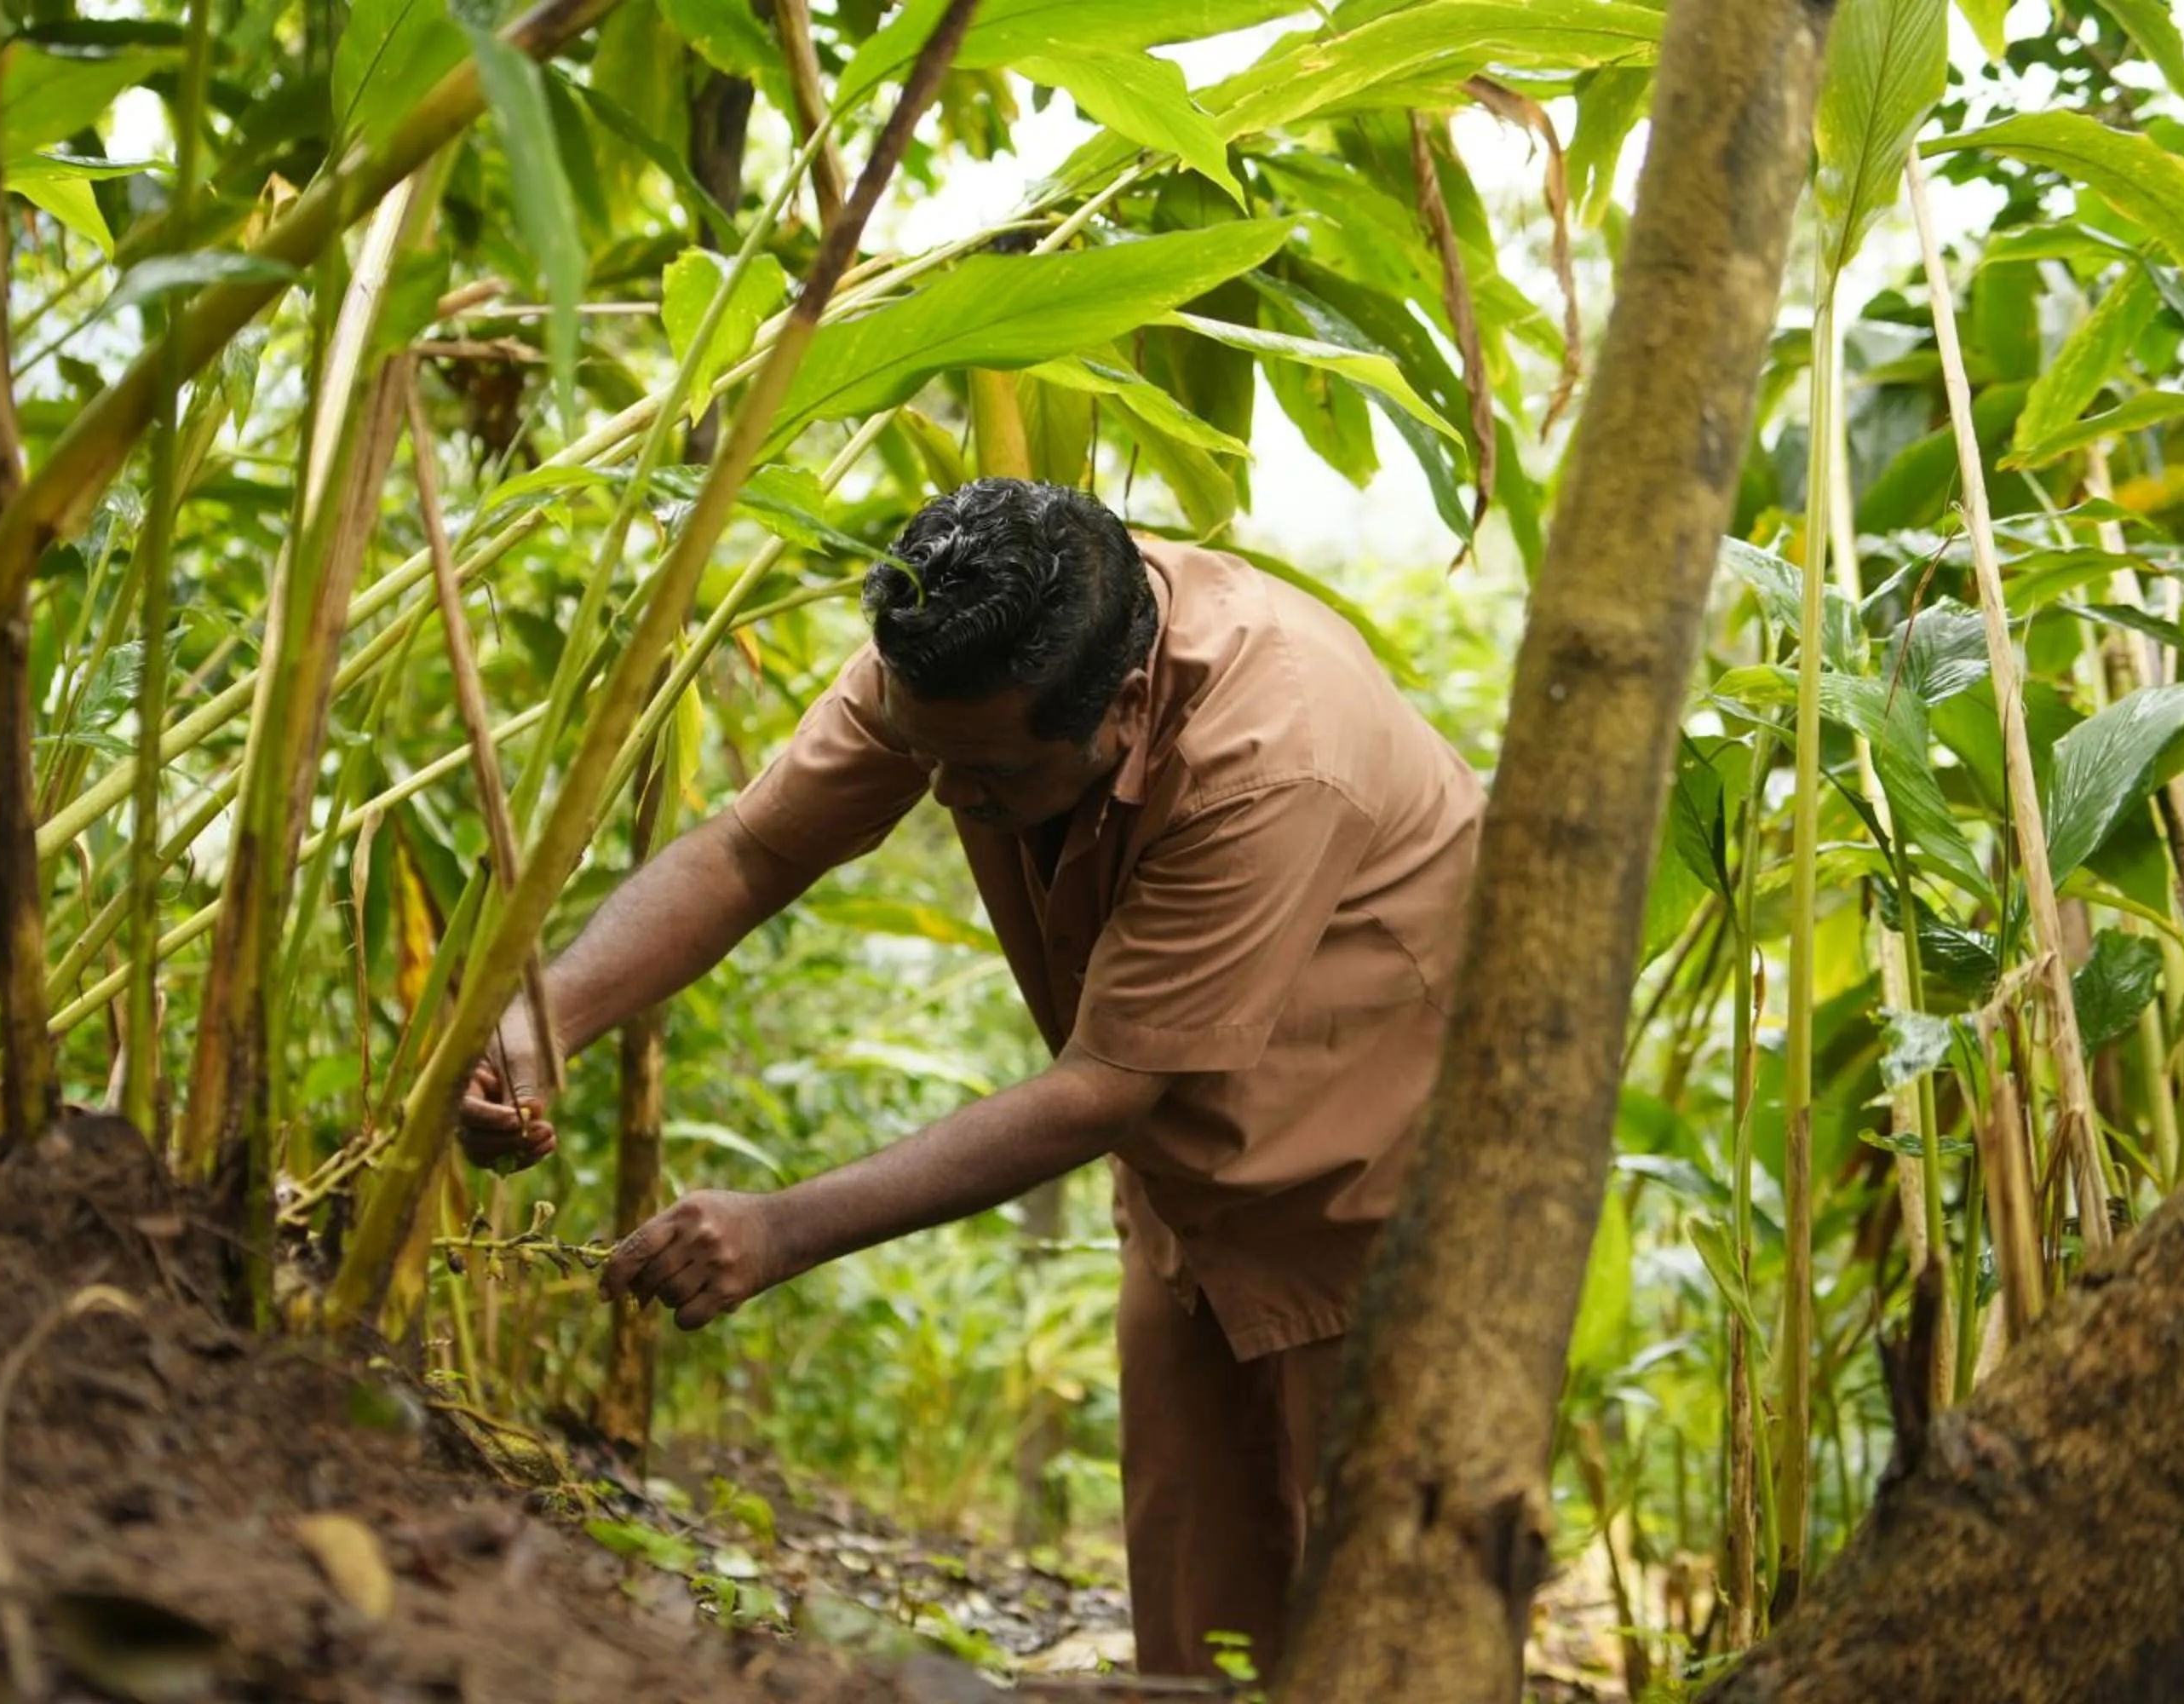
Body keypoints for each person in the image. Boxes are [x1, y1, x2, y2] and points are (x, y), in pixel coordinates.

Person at [458, 477, 1482, 1677]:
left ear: (1128, 707)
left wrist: (781, 1229)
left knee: (1392, 1615)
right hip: (1189, 1184)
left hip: (1382, 1178)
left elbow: (1102, 1087)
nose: (944, 794)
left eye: (989, 781)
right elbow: (756, 849)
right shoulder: (960, 656)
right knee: (1203, 1618)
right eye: (927, 755)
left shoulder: (1277, 756)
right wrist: (539, 1029)